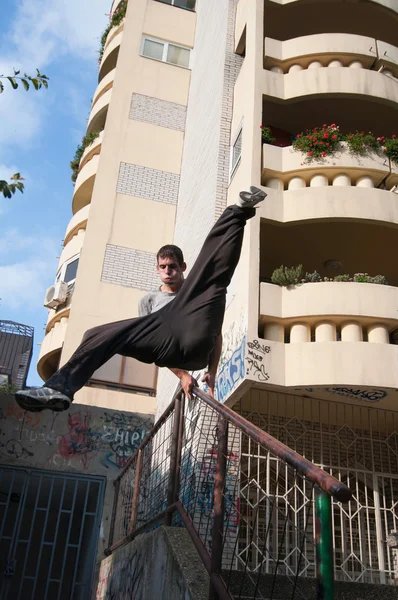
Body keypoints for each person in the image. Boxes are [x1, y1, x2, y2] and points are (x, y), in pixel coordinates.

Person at [15, 186, 266, 413]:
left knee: (213, 277)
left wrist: (212, 372)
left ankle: (239, 211)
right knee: (97, 334)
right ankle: (59, 388)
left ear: (182, 267)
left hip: (194, 333)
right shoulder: (149, 301)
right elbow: (151, 346)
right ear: (158, 269)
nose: (169, 271)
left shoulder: (195, 290)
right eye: (164, 267)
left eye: (173, 267)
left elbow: (216, 333)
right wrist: (181, 375)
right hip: (165, 340)